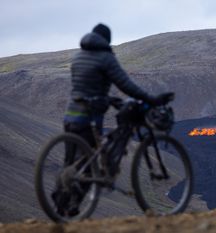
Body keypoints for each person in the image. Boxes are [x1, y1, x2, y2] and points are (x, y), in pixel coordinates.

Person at [52, 23, 169, 216]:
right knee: (89, 167)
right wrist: (150, 98)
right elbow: (125, 83)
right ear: (106, 40)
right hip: (89, 117)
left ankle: (59, 208)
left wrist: (107, 99)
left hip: (70, 116)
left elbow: (85, 86)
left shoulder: (78, 56)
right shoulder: (105, 57)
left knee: (71, 163)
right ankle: (71, 208)